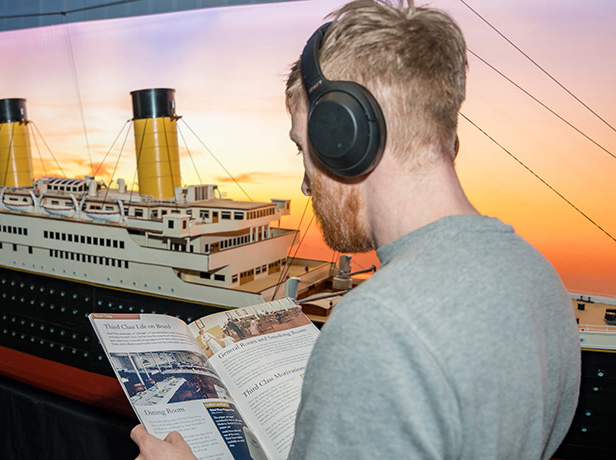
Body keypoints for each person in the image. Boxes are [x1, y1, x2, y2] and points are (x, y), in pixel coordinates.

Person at [130, 1, 580, 459]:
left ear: (343, 137)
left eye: (303, 147)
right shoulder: (536, 275)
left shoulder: (379, 326)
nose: (305, 183)